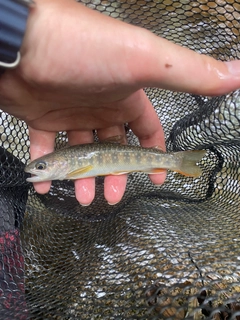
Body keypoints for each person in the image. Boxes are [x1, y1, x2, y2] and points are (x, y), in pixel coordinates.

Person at [0, 0, 239, 206]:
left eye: (41, 167)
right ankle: (175, 161)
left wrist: (30, 38)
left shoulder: (71, 167)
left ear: (59, 163)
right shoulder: (69, 164)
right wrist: (24, 34)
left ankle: (175, 161)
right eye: (41, 167)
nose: (36, 170)